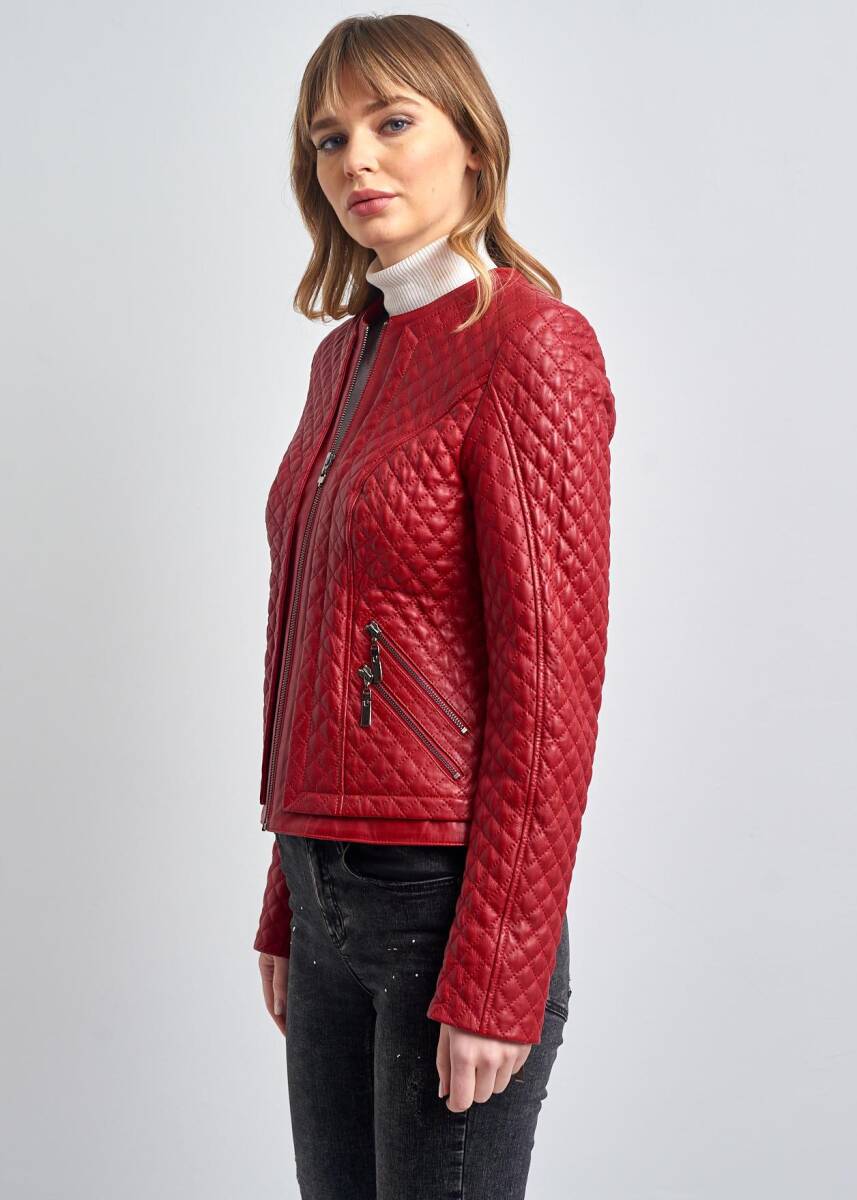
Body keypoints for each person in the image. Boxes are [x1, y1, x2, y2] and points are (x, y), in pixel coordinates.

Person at [252, 14, 616, 1199]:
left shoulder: (529, 344)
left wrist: (501, 970)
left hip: (444, 903)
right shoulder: (341, 361)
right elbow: (314, 632)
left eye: (391, 121)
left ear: (471, 141)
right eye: (329, 138)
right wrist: (286, 897)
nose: (356, 158)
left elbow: (549, 687)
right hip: (321, 890)